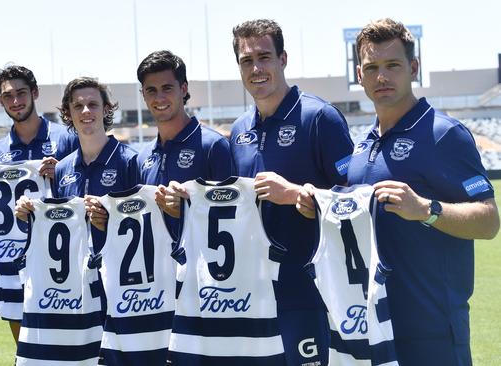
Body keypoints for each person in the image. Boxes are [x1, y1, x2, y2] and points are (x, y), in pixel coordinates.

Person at [298, 18, 499, 365]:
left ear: (413, 68)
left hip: (432, 331)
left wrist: (426, 209)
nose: (382, 77)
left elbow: (489, 221)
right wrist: (318, 206)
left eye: (392, 65)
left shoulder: (444, 134)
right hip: (372, 327)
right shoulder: (361, 149)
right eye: (371, 67)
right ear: (359, 75)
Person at [229, 19, 354, 365]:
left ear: (283, 59)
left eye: (264, 57)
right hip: (253, 295)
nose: (256, 68)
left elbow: (355, 201)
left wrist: (298, 194)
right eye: (246, 60)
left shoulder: (320, 118)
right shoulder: (239, 130)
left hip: (309, 291)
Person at [0, 65, 78, 342]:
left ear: (35, 93)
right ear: (0, 101)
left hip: (61, 256)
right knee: (26, 350)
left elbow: (84, 194)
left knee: (73, 347)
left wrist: (63, 175)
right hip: (14, 261)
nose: (15, 101)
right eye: (8, 96)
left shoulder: (66, 139)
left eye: (21, 93)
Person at [16, 76, 138, 250]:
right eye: (78, 106)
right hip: (76, 274)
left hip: (119, 273)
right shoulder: (62, 169)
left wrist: (109, 221)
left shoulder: (130, 161)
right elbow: (57, 226)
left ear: (106, 110)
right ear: (68, 113)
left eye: (93, 104)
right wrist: (29, 214)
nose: (86, 111)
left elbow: (147, 223)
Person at [135, 50, 234, 238]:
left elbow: (234, 213)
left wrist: (187, 208)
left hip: (203, 265)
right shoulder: (142, 157)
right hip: (158, 266)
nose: (159, 98)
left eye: (167, 88)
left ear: (183, 89)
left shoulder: (213, 145)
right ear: (143, 95)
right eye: (151, 90)